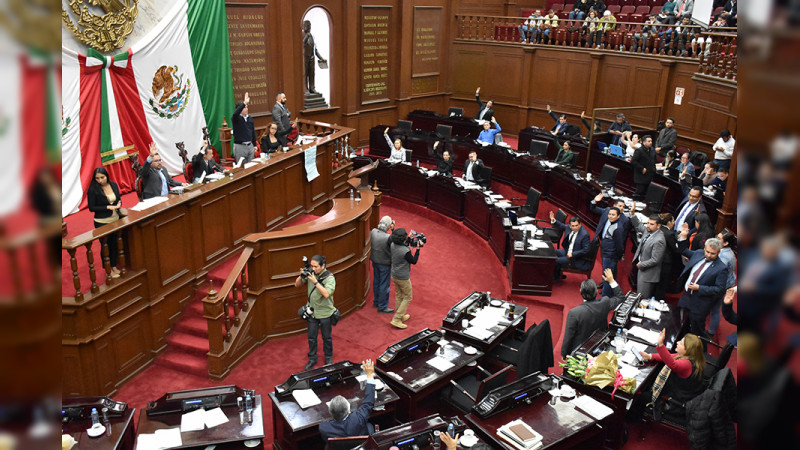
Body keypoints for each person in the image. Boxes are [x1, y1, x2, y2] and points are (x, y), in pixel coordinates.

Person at [561, 269, 624, 358]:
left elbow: (568, 337)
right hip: (600, 346)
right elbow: (620, 297)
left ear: (580, 292)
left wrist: (564, 355)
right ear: (595, 291)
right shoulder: (605, 303)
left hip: (580, 353)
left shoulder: (574, 313)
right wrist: (612, 281)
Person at [639, 330, 705, 412]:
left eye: (680, 343)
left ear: (687, 350)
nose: (677, 342)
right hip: (675, 392)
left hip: (674, 401)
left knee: (640, 396)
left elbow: (672, 364)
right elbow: (668, 356)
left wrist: (661, 344)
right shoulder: (689, 357)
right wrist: (649, 356)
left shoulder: (687, 364)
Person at [677, 238, 728, 337]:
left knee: (696, 331)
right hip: (685, 297)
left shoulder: (721, 268)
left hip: (700, 303)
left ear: (718, 252)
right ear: (704, 249)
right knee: (680, 324)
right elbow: (683, 250)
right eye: (707, 252)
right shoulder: (699, 253)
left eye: (712, 253)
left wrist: (699, 288)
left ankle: (699, 351)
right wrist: (683, 237)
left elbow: (720, 290)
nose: (709, 255)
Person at [295, 255, 336, 370]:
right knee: (311, 337)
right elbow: (296, 285)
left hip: (325, 313)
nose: (313, 269)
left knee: (326, 337)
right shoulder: (310, 273)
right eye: (311, 266)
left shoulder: (329, 278)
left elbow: (327, 294)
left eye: (315, 266)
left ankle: (328, 358)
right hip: (312, 312)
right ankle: (312, 358)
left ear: (323, 266)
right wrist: (301, 275)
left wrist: (315, 282)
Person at [319, 359, 377, 441]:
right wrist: (370, 375)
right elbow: (368, 403)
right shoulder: (358, 419)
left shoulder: (323, 427)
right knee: (370, 426)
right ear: (348, 411)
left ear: (330, 412)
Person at [87, 167, 123, 277]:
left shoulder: (113, 184)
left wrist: (119, 204)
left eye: (102, 177)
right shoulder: (93, 189)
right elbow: (92, 207)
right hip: (102, 221)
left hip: (115, 219)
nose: (100, 180)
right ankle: (108, 269)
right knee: (105, 245)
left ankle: (113, 266)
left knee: (114, 243)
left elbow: (118, 198)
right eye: (97, 178)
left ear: (106, 176)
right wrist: (108, 207)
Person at [389, 228, 422, 329]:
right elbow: (414, 261)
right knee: (408, 297)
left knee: (399, 295)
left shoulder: (392, 244)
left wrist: (408, 239)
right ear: (403, 239)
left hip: (394, 274)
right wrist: (418, 249)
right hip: (403, 277)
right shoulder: (405, 251)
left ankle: (400, 315)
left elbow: (402, 244)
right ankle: (396, 318)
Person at [593, 204, 627, 297]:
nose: (610, 216)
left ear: (618, 216)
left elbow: (619, 245)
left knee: (608, 277)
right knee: (608, 276)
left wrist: (619, 256)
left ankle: (605, 298)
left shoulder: (618, 228)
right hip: (607, 253)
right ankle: (609, 295)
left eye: (613, 215)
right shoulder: (612, 223)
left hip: (610, 255)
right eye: (609, 214)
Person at [708, 230, 737, 336]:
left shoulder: (724, 256)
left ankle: (711, 332)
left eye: (719, 239)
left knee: (714, 309)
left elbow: (717, 272)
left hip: (722, 286)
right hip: (727, 282)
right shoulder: (727, 251)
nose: (716, 239)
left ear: (726, 243)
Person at [550, 212, 592, 281]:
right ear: (570, 226)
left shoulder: (584, 235)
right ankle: (557, 273)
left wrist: (573, 254)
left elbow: (586, 249)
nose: (575, 227)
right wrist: (553, 220)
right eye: (573, 226)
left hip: (575, 258)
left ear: (580, 224)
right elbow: (561, 226)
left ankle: (556, 278)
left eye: (577, 225)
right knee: (553, 252)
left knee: (556, 261)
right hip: (567, 251)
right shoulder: (569, 228)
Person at [633, 215, 667, 299]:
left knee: (642, 299)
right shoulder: (649, 231)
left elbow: (655, 260)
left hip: (648, 275)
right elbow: (639, 225)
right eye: (648, 223)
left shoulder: (659, 240)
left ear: (658, 226)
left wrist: (640, 265)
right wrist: (633, 214)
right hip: (643, 270)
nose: (648, 225)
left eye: (651, 224)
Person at [371, 216, 395, 314]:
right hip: (384, 263)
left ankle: (376, 301)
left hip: (374, 261)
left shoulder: (373, 232)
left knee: (376, 281)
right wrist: (393, 229)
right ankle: (382, 306)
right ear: (389, 225)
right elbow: (395, 242)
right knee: (384, 285)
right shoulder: (388, 237)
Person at [302, 20, 327, 94]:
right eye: (307, 26)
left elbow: (315, 49)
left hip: (312, 57)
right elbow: (302, 44)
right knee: (305, 73)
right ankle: (305, 88)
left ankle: (312, 88)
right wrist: (306, 36)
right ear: (303, 26)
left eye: (310, 26)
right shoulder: (302, 34)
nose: (309, 27)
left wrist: (321, 58)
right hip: (304, 57)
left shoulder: (312, 36)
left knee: (312, 73)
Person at [232, 92, 257, 163]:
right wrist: (244, 102)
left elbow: (253, 131)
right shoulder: (236, 118)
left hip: (250, 145)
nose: (246, 109)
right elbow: (235, 114)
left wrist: (254, 144)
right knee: (242, 167)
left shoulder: (250, 118)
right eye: (244, 108)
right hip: (240, 146)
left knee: (251, 166)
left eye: (247, 107)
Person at [631, 135, 656, 201]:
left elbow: (653, 161)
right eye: (649, 141)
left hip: (650, 176)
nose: (651, 142)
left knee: (646, 195)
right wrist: (642, 168)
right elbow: (633, 161)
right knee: (639, 193)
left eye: (651, 141)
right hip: (641, 177)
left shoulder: (652, 151)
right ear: (644, 142)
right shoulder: (639, 151)